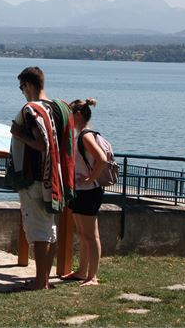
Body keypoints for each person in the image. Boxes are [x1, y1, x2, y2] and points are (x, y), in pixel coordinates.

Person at [9, 66, 74, 290]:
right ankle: (44, 279)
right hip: (55, 177)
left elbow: (41, 144)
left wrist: (18, 134)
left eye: (22, 87)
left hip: (34, 177)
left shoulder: (32, 110)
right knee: (49, 228)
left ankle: (40, 282)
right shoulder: (58, 108)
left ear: (29, 85)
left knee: (38, 231)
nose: (22, 92)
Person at [61, 98, 107, 287]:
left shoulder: (86, 136)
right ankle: (82, 272)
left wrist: (89, 178)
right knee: (82, 233)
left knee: (91, 235)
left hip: (89, 191)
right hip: (81, 190)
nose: (69, 119)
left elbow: (101, 159)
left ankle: (92, 276)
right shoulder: (81, 135)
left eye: (71, 115)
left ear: (78, 115)